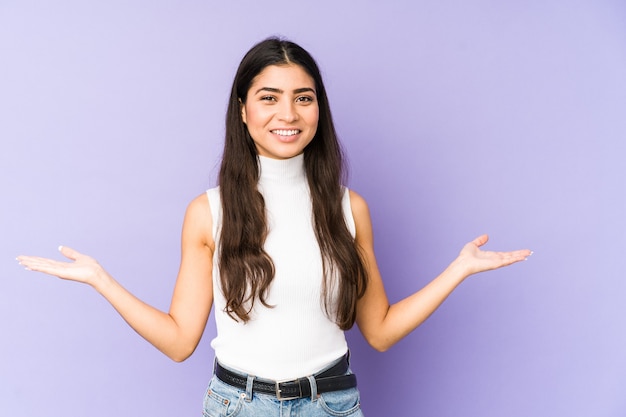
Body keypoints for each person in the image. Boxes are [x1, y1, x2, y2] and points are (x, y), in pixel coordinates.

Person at [17, 37, 531, 417]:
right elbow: (179, 342)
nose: (288, 113)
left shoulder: (350, 208)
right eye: (269, 97)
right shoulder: (209, 212)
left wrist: (458, 270)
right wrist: (100, 280)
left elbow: (380, 331)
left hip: (330, 404)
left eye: (303, 98)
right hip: (238, 405)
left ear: (318, 110)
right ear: (242, 111)